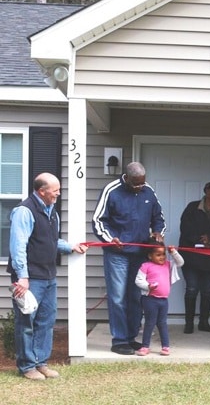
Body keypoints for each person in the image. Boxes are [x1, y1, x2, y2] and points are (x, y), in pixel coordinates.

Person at [7, 173, 88, 380]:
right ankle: (27, 367)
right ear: (42, 191)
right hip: (29, 278)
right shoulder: (24, 211)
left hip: (48, 276)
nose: (58, 194)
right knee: (26, 323)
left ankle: (41, 363)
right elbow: (18, 247)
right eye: (55, 190)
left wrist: (71, 246)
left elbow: (51, 241)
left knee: (46, 322)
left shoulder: (52, 212)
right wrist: (22, 277)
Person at [93, 161, 166, 355]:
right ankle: (119, 340)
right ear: (126, 177)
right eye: (136, 184)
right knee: (117, 297)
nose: (139, 187)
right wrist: (110, 238)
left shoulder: (148, 191)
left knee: (136, 297)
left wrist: (158, 232)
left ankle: (132, 337)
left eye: (142, 183)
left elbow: (158, 218)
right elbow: (98, 220)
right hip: (117, 253)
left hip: (140, 255)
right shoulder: (112, 190)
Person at [179, 181, 210, 334]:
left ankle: (204, 322)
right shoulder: (192, 207)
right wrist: (200, 239)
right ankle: (189, 323)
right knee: (192, 289)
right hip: (192, 256)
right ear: (206, 191)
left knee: (207, 291)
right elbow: (185, 228)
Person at [134, 243, 185, 356]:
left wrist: (173, 252)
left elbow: (181, 262)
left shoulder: (168, 264)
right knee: (150, 323)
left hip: (163, 300)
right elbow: (138, 280)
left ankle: (165, 346)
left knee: (162, 323)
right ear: (150, 256)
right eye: (158, 255)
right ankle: (145, 346)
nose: (162, 257)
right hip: (150, 300)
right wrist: (148, 286)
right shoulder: (145, 266)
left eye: (163, 254)